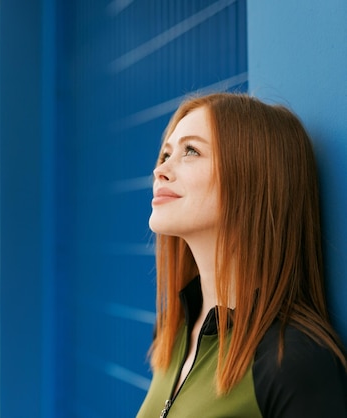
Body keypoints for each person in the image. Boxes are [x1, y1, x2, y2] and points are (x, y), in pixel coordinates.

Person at [135, 92, 347, 417]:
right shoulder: (170, 331)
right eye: (165, 154)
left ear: (252, 176)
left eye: (190, 150)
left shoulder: (292, 362)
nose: (160, 170)